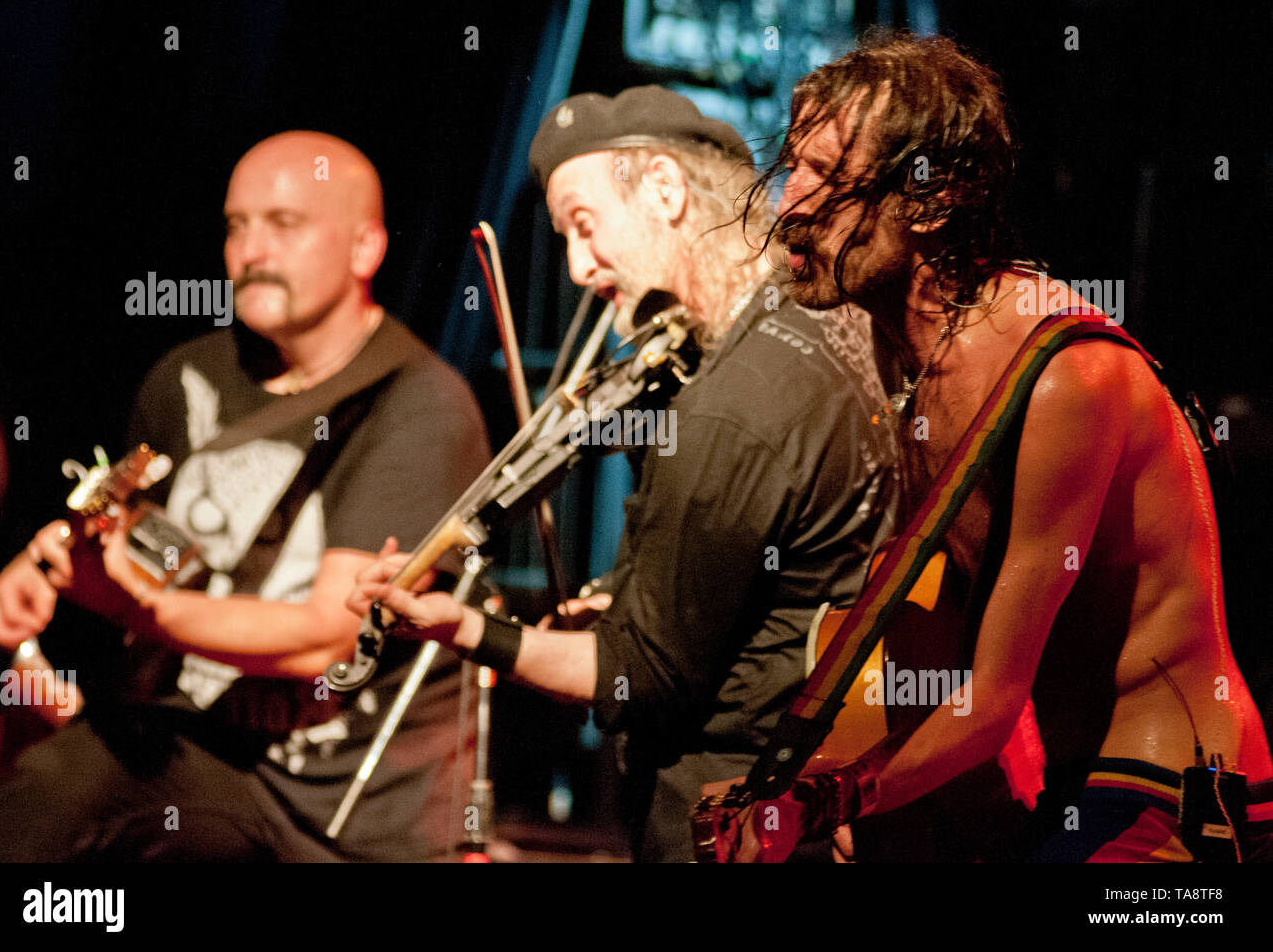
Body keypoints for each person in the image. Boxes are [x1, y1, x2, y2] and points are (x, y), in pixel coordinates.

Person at [708, 33, 1273, 862]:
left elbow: (992, 699)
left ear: (933, 202)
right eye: (795, 166)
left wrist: (837, 796)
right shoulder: (902, 348)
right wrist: (819, 791)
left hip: (1175, 792)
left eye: (830, 174)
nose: (792, 203)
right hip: (1073, 785)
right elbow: (926, 618)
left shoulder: (1059, 376)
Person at [348, 86, 899, 861]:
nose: (575, 267)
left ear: (668, 190)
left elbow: (630, 678)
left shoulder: (728, 407)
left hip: (726, 818)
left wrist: (465, 627)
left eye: (584, 225)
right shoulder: (826, 321)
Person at [0, 131, 491, 861]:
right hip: (199, 750)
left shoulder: (420, 405)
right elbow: (158, 546)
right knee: (42, 799)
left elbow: (327, 633)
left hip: (337, 803)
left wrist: (134, 604)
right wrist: (55, 564)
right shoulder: (187, 378)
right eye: (237, 225)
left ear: (364, 248)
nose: (251, 250)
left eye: (285, 224)